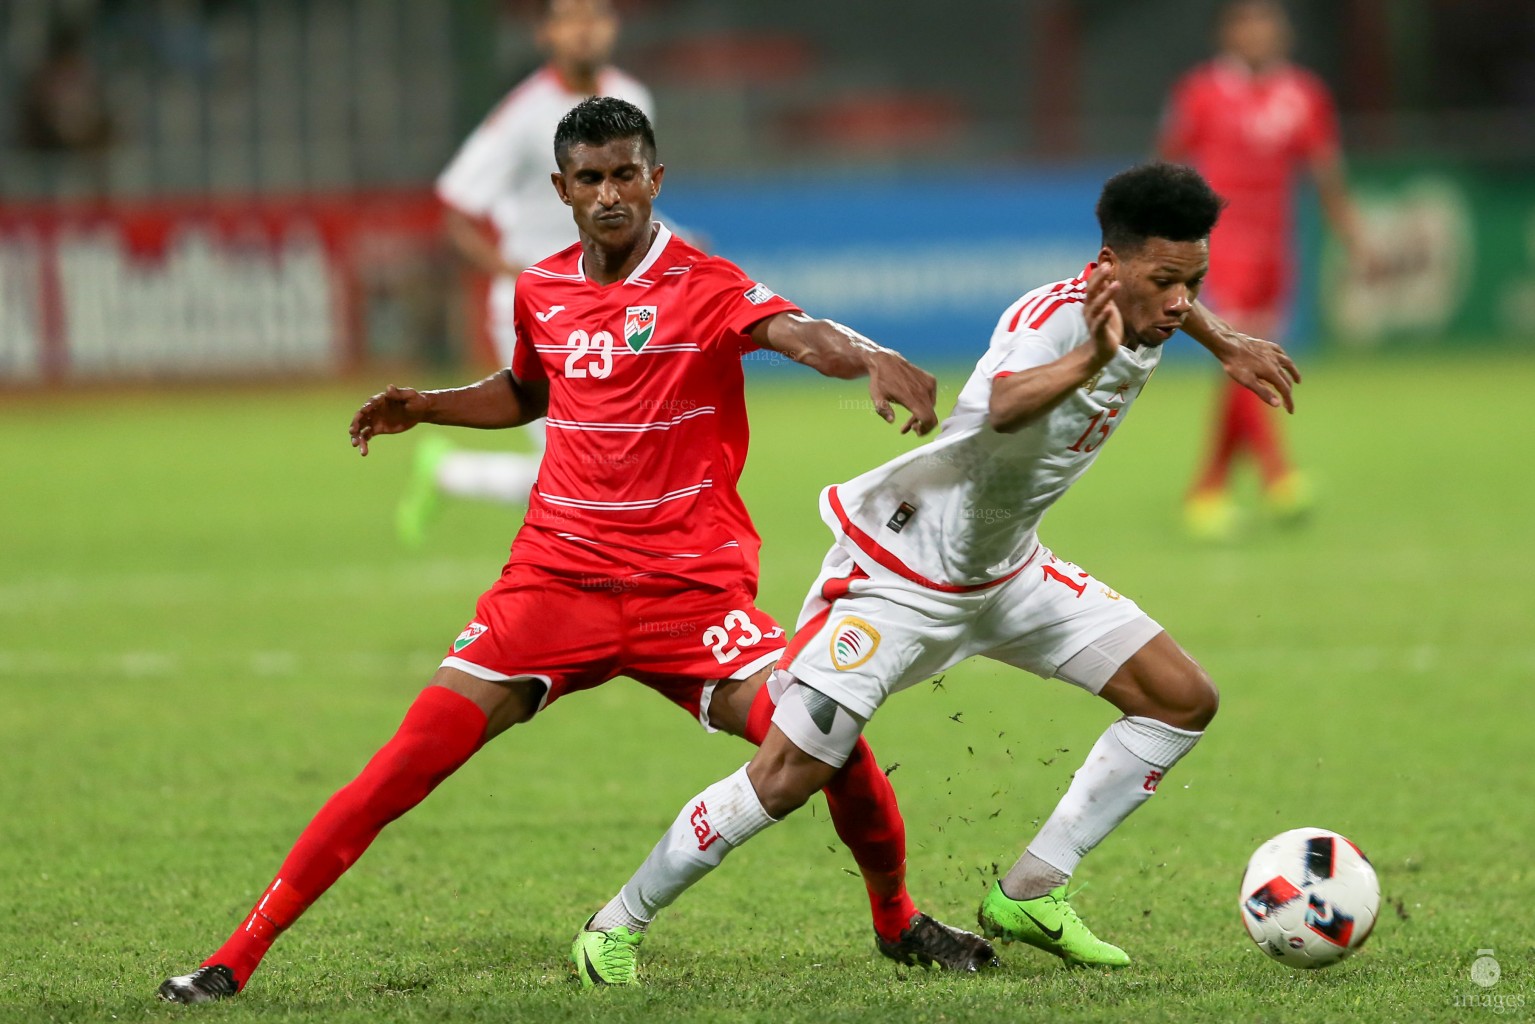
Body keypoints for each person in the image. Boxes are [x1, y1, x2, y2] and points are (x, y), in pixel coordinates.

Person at [156, 97, 1000, 1005]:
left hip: (689, 595)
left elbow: (799, 334)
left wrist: (866, 356)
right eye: (590, 178)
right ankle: (233, 958)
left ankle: (897, 919)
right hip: (553, 584)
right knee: (403, 765)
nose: (610, 194)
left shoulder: (705, 284)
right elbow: (527, 390)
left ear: (655, 179)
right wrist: (429, 405)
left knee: (829, 738)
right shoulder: (540, 288)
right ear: (560, 188)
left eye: (625, 174)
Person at [571, 163, 1302, 981]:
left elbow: (1171, 305)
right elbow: (1005, 405)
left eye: (1191, 283)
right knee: (787, 774)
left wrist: (1224, 338)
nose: (1178, 301)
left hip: (1006, 574)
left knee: (1180, 700)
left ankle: (1030, 891)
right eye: (1165, 281)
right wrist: (1091, 357)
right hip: (898, 576)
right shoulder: (1054, 323)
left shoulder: (1149, 311)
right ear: (1107, 265)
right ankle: (614, 925)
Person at [398, 0, 652, 546]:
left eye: (595, 17)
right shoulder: (524, 114)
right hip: (540, 311)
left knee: (607, 467)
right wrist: (514, 273)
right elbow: (457, 209)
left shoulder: (635, 99)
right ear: (548, 33)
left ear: (611, 27)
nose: (584, 30)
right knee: (590, 470)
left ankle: (450, 473)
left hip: (608, 306)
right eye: (571, 18)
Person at [1159, 0, 1364, 540]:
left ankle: (1207, 491)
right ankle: (1279, 476)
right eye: (1249, 22)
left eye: (1270, 21)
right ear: (1227, 32)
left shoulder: (1304, 94)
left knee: (1244, 362)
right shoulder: (1200, 91)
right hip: (1219, 246)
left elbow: (1325, 172)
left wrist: (1354, 238)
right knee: (1240, 352)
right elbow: (1165, 163)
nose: (1261, 32)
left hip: (1277, 248)